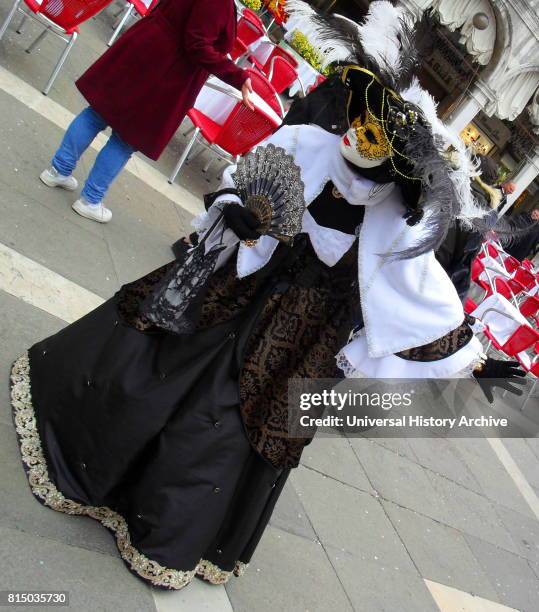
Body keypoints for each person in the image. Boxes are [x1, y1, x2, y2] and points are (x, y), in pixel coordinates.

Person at [10, 0, 525, 591]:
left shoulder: (394, 228)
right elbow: (239, 185)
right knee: (157, 360)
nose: (359, 137)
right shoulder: (308, 144)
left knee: (227, 429)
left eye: (376, 138)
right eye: (360, 123)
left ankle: (165, 519)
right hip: (236, 291)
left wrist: (476, 364)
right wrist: (239, 216)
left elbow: (423, 302)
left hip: (300, 341)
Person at [39, 0, 254, 224]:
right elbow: (197, 44)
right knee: (126, 138)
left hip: (147, 45)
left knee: (97, 114)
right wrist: (238, 76)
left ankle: (58, 170)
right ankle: (90, 199)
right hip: (168, 68)